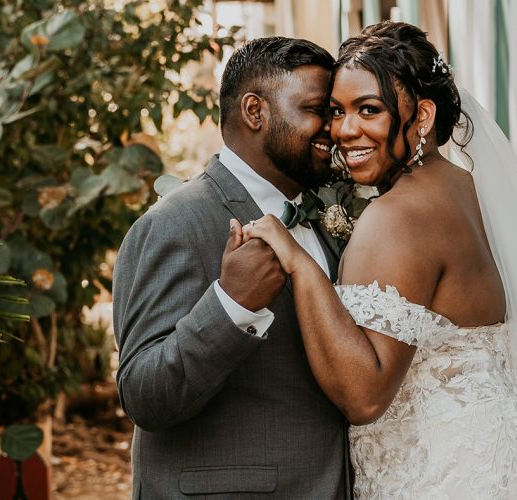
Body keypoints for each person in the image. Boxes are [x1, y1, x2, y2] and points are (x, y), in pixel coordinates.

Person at [242, 21, 517, 498]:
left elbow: (364, 395)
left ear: (422, 116)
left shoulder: (397, 218)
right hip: (503, 458)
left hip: (439, 474)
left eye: (368, 110)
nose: (343, 130)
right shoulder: (468, 191)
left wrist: (299, 264)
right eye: (337, 111)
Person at [112, 37, 353, 498]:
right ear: (254, 111)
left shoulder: (328, 214)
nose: (334, 129)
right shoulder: (173, 225)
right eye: (318, 110)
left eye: (336, 112)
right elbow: (144, 394)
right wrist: (232, 306)